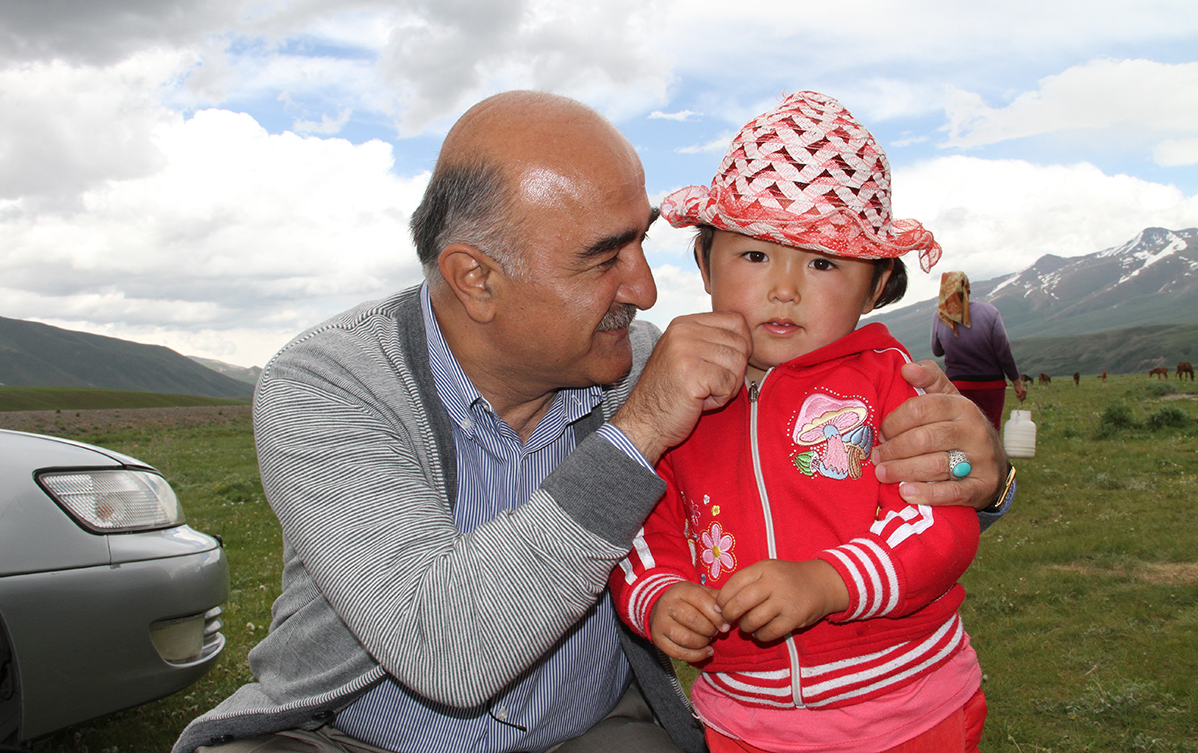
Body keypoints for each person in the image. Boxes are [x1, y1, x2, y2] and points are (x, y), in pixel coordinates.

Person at [174, 91, 1011, 753]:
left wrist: (978, 471)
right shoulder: (328, 383)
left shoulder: (646, 359)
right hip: (346, 739)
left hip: (601, 733)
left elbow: (820, 447)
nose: (645, 290)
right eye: (605, 257)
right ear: (476, 278)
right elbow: (447, 651)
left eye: (642, 242)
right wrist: (639, 431)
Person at [609, 92, 993, 753]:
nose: (785, 288)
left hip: (906, 710)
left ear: (876, 285)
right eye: (755, 256)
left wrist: (828, 582)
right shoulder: (676, 393)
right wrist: (661, 596)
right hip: (744, 724)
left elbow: (939, 522)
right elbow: (644, 522)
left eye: (822, 262)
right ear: (704, 263)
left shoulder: (890, 382)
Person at [931, 271, 1027, 429]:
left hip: (957, 386)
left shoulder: (940, 317)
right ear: (967, 288)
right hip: (991, 386)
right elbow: (1003, 352)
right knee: (990, 432)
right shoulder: (990, 312)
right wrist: (1016, 382)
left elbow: (937, 351)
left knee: (961, 432)